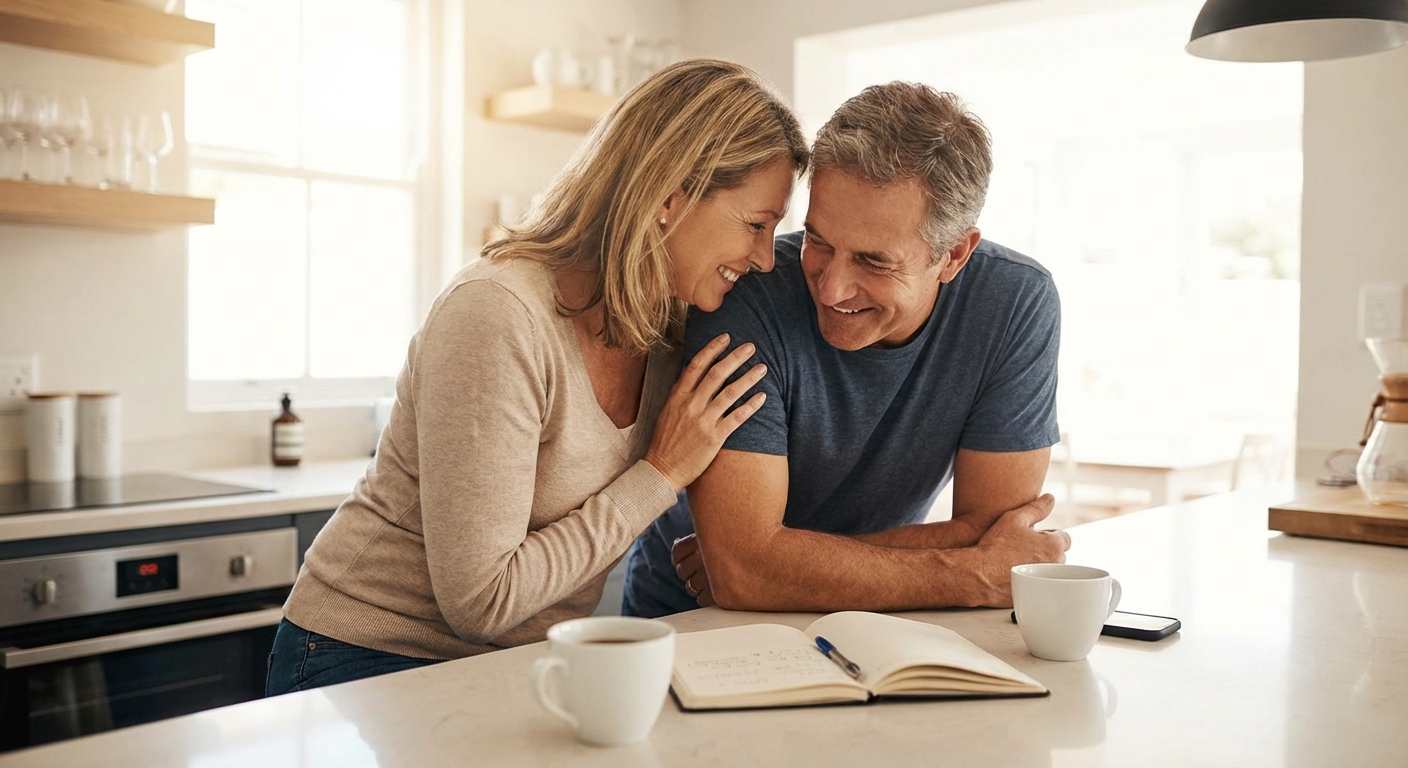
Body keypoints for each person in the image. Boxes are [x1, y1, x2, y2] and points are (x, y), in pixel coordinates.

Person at [266, 59, 809, 694]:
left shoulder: (668, 328)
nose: (765, 258)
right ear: (669, 197)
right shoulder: (498, 313)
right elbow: (482, 601)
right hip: (365, 655)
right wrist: (660, 476)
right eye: (756, 225)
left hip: (515, 662)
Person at [622, 82, 1070, 618]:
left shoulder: (1015, 302)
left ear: (954, 255)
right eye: (818, 241)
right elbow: (744, 574)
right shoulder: (746, 294)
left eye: (873, 262)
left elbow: (994, 534)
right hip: (694, 617)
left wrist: (776, 564)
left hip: (881, 618)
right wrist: (966, 572)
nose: (831, 290)